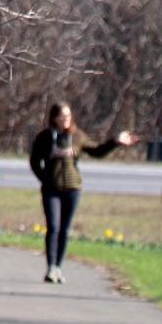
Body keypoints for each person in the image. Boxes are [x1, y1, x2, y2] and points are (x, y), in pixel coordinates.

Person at [28, 102, 137, 283]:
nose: (66, 120)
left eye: (69, 116)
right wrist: (45, 179)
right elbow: (34, 162)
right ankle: (51, 267)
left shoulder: (77, 136)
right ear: (54, 118)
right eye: (63, 116)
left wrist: (115, 142)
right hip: (51, 189)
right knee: (53, 227)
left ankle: (58, 267)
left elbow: (97, 151)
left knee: (64, 229)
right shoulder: (45, 137)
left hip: (72, 188)